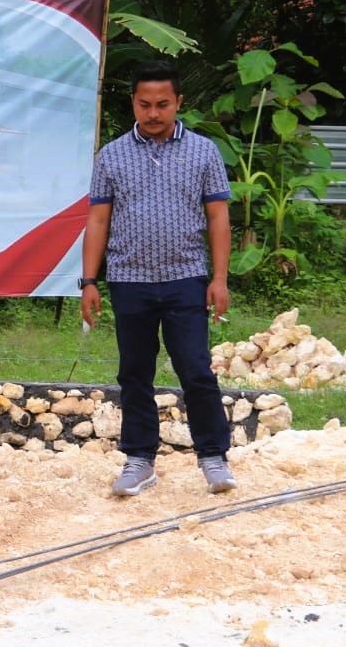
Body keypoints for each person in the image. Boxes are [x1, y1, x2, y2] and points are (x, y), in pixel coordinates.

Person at [80, 60, 237, 498]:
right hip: (128, 280)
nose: (153, 113)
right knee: (134, 373)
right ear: (133, 102)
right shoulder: (111, 155)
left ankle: (213, 458)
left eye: (162, 104)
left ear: (178, 102)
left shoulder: (204, 152)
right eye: (144, 104)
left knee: (195, 369)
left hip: (187, 278)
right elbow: (97, 221)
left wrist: (219, 279)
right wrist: (89, 281)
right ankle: (139, 460)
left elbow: (218, 218)